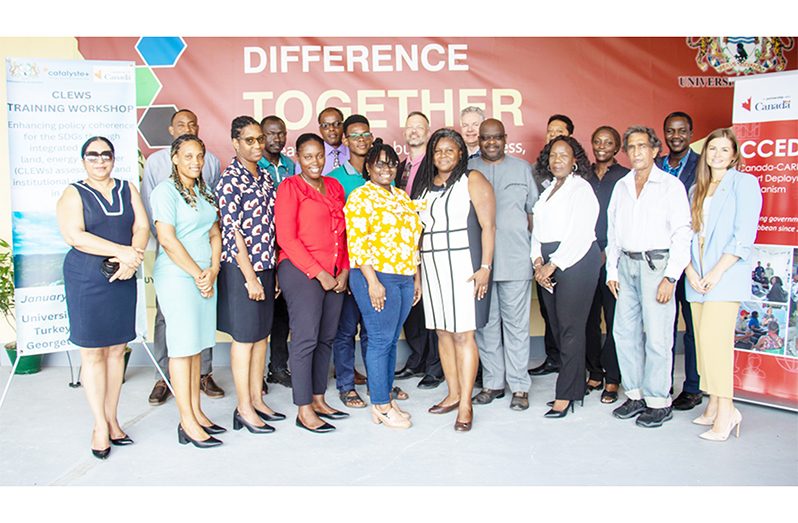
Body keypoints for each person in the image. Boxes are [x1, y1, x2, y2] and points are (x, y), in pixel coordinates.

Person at [57, 137, 149, 459]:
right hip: (87, 280)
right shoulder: (74, 193)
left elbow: (141, 226)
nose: (100, 160)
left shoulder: (127, 188)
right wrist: (122, 252)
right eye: (92, 155)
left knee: (115, 351)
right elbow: (75, 236)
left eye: (105, 155)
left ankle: (112, 418)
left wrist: (132, 257)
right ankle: (99, 425)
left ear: (113, 158)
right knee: (93, 353)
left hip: (122, 277)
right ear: (83, 160)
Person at [606, 125, 692, 428]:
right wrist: (612, 270)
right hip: (626, 267)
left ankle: (659, 400)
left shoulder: (670, 186)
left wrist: (671, 277)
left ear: (655, 150)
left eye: (643, 146)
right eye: (631, 147)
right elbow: (612, 231)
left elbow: (683, 233)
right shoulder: (622, 186)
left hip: (657, 266)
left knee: (657, 336)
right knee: (624, 333)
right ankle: (636, 394)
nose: (637, 152)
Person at [413, 128, 496, 432]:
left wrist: (485, 266)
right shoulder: (422, 187)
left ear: (461, 153)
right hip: (433, 266)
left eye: (450, 150)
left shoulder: (472, 180)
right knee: (443, 334)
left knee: (464, 335)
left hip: (464, 266)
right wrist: (418, 276)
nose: (444, 156)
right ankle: (453, 393)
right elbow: (416, 236)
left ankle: (466, 404)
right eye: (438, 151)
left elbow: (489, 227)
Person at [141, 109, 224, 406]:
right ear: (174, 158)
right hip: (179, 275)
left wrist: (213, 269)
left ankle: (198, 414)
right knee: (181, 348)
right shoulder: (165, 191)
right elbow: (167, 238)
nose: (195, 162)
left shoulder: (205, 192)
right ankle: (186, 419)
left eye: (199, 156)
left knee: (198, 345)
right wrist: (197, 273)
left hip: (205, 275)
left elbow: (215, 233)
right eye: (188, 156)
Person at [684, 127, 762, 440]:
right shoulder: (697, 188)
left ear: (733, 155)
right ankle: (714, 404)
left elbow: (744, 235)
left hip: (724, 275)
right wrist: (691, 271)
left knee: (716, 343)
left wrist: (716, 272)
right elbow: (686, 234)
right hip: (697, 275)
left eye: (723, 150)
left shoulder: (744, 184)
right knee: (703, 343)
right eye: (712, 149)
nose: (717, 154)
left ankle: (728, 412)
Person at [344, 138, 424, 429]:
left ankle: (386, 396)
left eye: (391, 163)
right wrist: (372, 282)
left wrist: (416, 278)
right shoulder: (361, 197)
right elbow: (358, 242)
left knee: (390, 339)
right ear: (368, 167)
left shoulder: (402, 198)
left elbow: (413, 240)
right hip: (375, 276)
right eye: (379, 164)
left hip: (403, 276)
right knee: (379, 339)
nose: (386, 169)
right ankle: (380, 405)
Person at [275, 133, 350, 433]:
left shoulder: (334, 186)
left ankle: (319, 398)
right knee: (306, 338)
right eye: (308, 156)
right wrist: (319, 273)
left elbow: (343, 234)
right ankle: (304, 409)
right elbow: (287, 238)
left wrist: (343, 270)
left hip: (334, 272)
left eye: (319, 155)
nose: (315, 161)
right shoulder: (290, 187)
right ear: (298, 158)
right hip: (301, 270)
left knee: (326, 337)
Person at [215, 116, 284, 436]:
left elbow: (272, 228)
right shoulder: (230, 180)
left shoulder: (266, 178)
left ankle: (257, 399)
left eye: (259, 140)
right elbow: (232, 233)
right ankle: (243, 408)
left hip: (267, 266)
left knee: (261, 337)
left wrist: (272, 272)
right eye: (250, 140)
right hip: (243, 269)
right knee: (244, 339)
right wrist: (250, 278)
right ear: (236, 143)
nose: (257, 145)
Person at [470, 118, 538, 411]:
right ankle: (493, 383)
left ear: (505, 138)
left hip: (514, 261)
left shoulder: (522, 169)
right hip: (481, 264)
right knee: (486, 326)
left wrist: (535, 255)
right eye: (486, 138)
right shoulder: (469, 170)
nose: (492, 143)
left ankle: (520, 386)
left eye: (497, 137)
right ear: (479, 140)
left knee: (516, 327)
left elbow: (533, 213)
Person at [531, 136, 600, 418]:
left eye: (564, 155)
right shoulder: (547, 191)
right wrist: (537, 261)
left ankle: (567, 394)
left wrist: (552, 265)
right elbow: (537, 231)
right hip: (548, 262)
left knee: (571, 329)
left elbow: (581, 234)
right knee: (558, 328)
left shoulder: (580, 189)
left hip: (575, 261)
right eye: (553, 155)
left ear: (575, 161)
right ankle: (574, 387)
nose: (557, 160)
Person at [655, 111, 702, 412]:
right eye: (670, 131)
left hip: (690, 257)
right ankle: (662, 382)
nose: (675, 136)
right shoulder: (656, 165)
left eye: (682, 131)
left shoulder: (702, 166)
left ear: (691, 132)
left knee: (692, 326)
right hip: (659, 257)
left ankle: (693, 387)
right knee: (663, 326)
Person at [394, 111, 443, 389]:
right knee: (412, 307)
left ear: (428, 132)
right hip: (404, 248)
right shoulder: (400, 167)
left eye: (419, 127)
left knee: (432, 307)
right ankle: (418, 359)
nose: (414, 132)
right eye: (410, 127)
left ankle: (436, 366)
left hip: (430, 245)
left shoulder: (435, 165)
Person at [328, 114, 374, 409]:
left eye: (365, 134)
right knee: (345, 330)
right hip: (348, 267)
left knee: (374, 330)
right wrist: (343, 268)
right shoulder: (334, 180)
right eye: (354, 135)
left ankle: (379, 382)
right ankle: (346, 386)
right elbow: (335, 229)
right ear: (345, 141)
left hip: (378, 268)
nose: (361, 140)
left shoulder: (382, 174)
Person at [584, 126, 629, 404]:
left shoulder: (625, 177)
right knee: (588, 319)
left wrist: (609, 251)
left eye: (608, 142)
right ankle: (594, 371)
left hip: (614, 259)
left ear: (617, 147)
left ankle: (612, 378)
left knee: (614, 320)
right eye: (597, 141)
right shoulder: (582, 176)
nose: (602, 146)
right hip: (585, 256)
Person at [528, 113, 575, 378]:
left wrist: (554, 261)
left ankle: (576, 369)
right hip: (540, 252)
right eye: (550, 131)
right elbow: (533, 215)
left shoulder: (578, 179)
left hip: (569, 257)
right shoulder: (535, 171)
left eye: (560, 131)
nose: (554, 135)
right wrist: (537, 260)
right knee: (548, 311)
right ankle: (553, 358)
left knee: (571, 317)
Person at [257, 115, 295, 390]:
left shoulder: (291, 165)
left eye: (281, 134)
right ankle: (254, 375)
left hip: (285, 246)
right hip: (260, 246)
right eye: (271, 134)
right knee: (258, 314)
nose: (277, 139)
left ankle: (278, 368)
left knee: (282, 313)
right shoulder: (253, 165)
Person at [298, 107, 350, 176]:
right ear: (320, 129)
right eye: (325, 125)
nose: (331, 129)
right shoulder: (306, 158)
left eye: (336, 124)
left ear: (343, 126)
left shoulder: (354, 154)